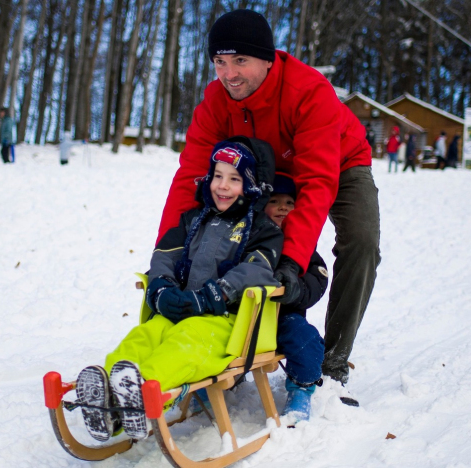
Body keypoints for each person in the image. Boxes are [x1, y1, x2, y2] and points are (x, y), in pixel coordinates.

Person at [156, 9, 380, 391]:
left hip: (338, 163)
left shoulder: (308, 91)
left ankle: (334, 359)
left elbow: (316, 182)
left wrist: (291, 263)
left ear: (268, 58)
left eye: (240, 60)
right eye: (220, 62)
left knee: (360, 240)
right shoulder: (215, 101)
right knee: (238, 237)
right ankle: (232, 340)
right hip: (262, 171)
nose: (229, 74)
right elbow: (191, 178)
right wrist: (167, 251)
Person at [74, 139, 283, 442]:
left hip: (225, 322)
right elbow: (165, 254)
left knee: (185, 345)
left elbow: (256, 269)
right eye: (218, 175)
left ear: (250, 185)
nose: (222, 186)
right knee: (146, 335)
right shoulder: (194, 220)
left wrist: (215, 295)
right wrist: (161, 287)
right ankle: (107, 396)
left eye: (234, 179)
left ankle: (145, 392)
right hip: (182, 308)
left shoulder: (262, 229)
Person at [265, 173, 328, 420]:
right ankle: (210, 387)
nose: (283, 207)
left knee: (306, 341)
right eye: (274, 201)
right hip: (246, 320)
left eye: (290, 202)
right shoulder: (249, 236)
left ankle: (302, 388)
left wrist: (298, 291)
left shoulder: (302, 243)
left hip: (284, 317)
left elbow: (318, 275)